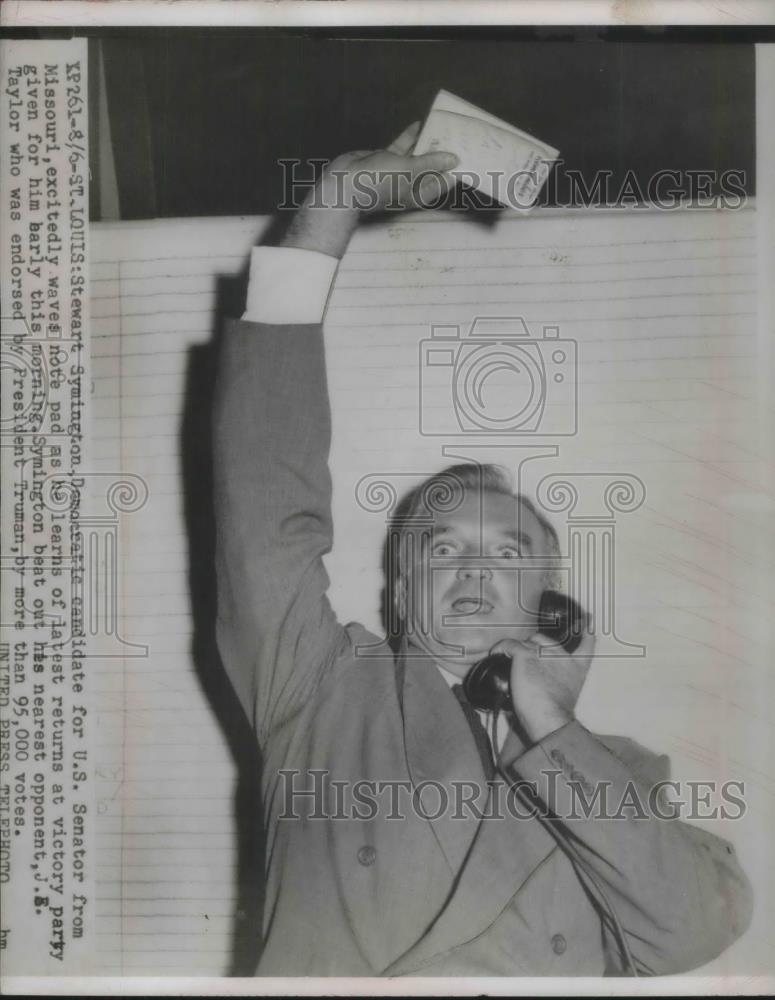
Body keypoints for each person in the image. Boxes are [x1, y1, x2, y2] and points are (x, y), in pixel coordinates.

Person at [212, 123, 752, 976]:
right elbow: (262, 505)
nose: (470, 568)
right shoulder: (317, 690)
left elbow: (689, 935)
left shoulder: (620, 773)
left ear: (550, 599)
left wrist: (549, 724)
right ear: (397, 595)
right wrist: (330, 213)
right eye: (440, 548)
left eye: (504, 555)